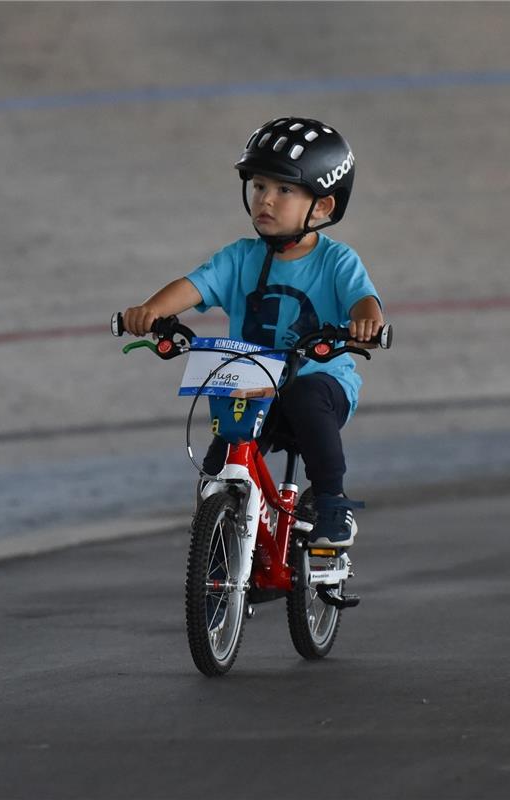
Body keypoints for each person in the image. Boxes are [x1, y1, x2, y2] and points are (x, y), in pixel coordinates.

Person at [121, 117, 383, 547]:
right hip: (253, 382)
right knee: (223, 454)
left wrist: (367, 321)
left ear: (322, 207)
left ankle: (332, 502)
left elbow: (363, 299)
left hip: (320, 381)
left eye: (284, 190)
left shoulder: (337, 261)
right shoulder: (240, 257)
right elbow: (193, 286)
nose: (266, 200)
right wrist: (151, 310)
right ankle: (221, 535)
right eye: (259, 186)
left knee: (306, 396)